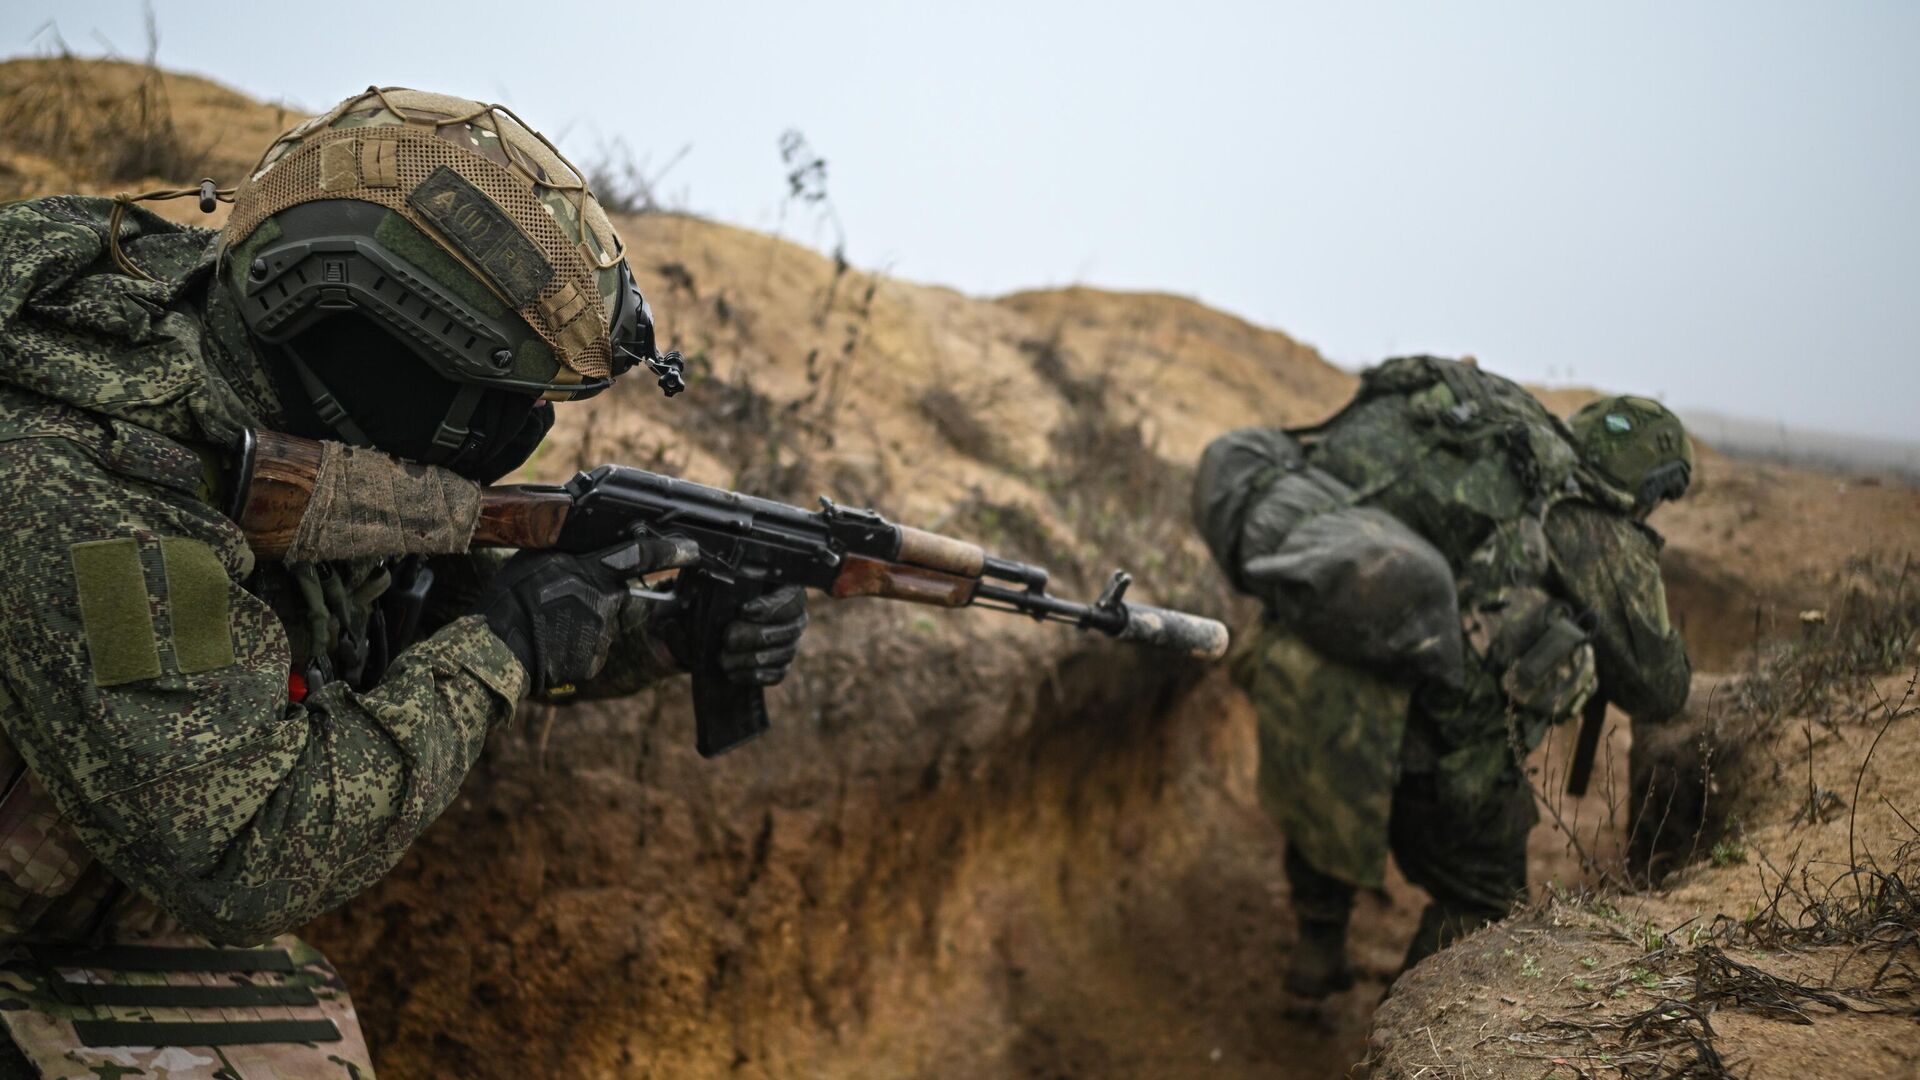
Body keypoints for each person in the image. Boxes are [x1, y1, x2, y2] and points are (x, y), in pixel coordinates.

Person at [0, 87, 809, 1077]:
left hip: (99, 925)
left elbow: (441, 598)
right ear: (390, 360)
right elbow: (243, 852)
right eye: (511, 399)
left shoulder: (291, 412)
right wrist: (506, 650)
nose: (525, 433)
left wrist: (663, 634)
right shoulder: (93, 493)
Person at [1198, 355, 1691, 999]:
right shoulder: (1594, 527)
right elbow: (1660, 690)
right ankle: (1409, 1037)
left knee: (1324, 804)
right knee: (1485, 897)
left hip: (1305, 670)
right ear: (1649, 489)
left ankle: (1318, 948)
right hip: (1433, 745)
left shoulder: (1467, 444)